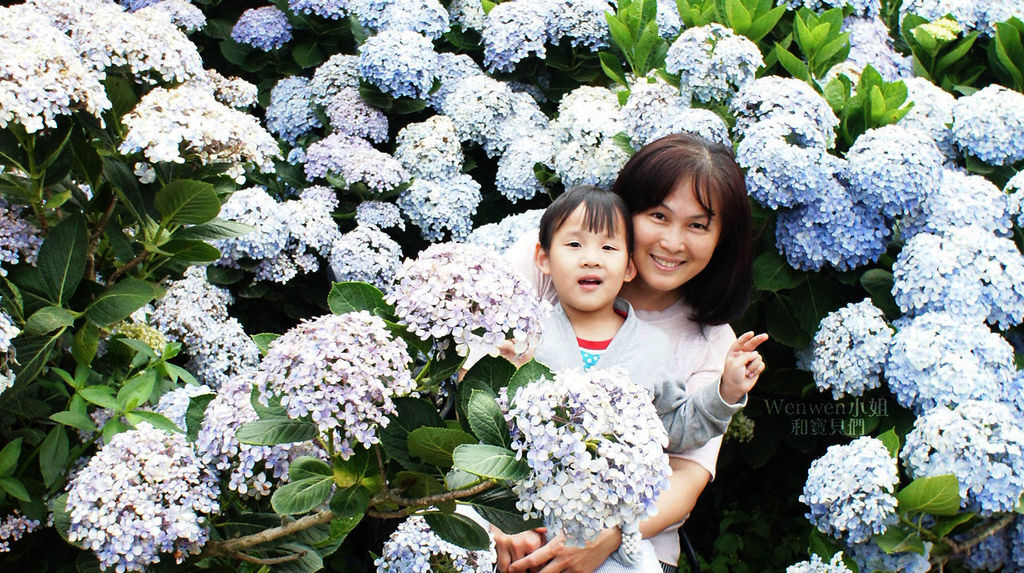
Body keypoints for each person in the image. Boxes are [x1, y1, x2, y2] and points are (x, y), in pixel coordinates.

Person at [498, 133, 767, 573]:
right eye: (658, 215)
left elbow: (686, 472)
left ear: (721, 238)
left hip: (626, 543)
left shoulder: (716, 342)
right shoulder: (559, 255)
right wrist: (498, 518)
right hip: (511, 509)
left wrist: (607, 537)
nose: (673, 242)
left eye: (698, 225)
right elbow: (476, 375)